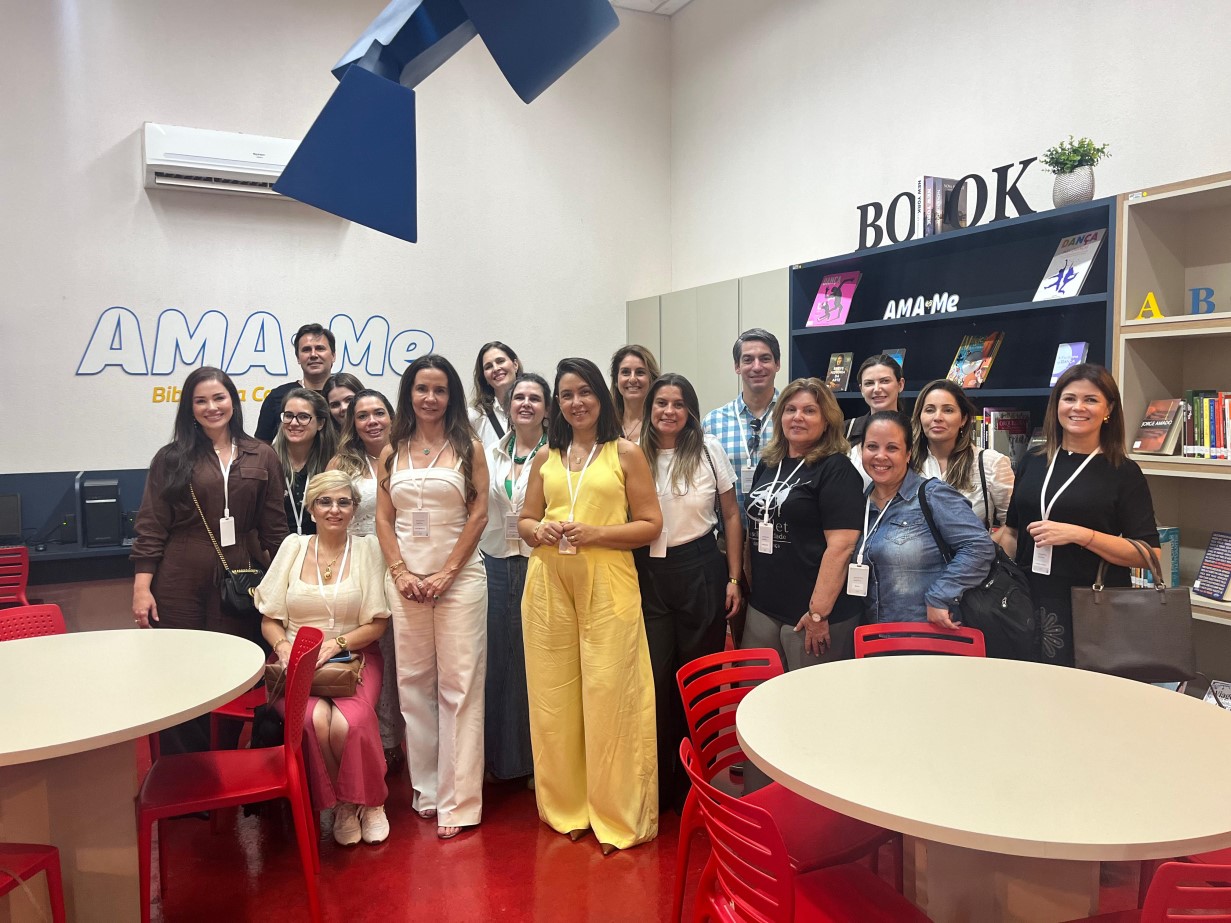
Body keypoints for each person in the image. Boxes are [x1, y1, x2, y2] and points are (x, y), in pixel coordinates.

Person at [518, 357, 662, 854]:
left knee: (611, 695)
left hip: (609, 580)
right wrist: (539, 530)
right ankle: (567, 807)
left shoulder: (625, 453)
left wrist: (596, 533)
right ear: (556, 404)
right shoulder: (547, 455)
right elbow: (525, 520)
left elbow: (651, 525)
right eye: (566, 395)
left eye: (585, 392)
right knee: (553, 697)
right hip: (548, 582)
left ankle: (617, 814)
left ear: (601, 396)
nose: (576, 402)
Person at [131, 366, 287, 754]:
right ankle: (183, 765)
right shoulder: (171, 458)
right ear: (189, 408)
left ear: (233, 401)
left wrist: (288, 586)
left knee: (235, 667)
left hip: (241, 574)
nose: (211, 407)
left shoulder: (262, 454)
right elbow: (151, 524)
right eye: (200, 401)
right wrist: (141, 588)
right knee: (179, 670)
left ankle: (223, 760)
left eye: (219, 398)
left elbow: (275, 529)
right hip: (179, 576)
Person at [376, 354, 489, 840]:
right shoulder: (391, 450)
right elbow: (383, 519)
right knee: (414, 686)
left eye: (439, 389)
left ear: (451, 396)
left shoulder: (468, 447)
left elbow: (479, 515)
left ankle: (459, 801)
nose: (430, 398)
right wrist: (400, 571)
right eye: (422, 388)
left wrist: (446, 573)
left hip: (459, 581)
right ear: (409, 394)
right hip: (406, 584)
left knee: (460, 687)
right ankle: (425, 789)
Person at [255, 471, 391, 846]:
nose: (335, 510)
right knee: (313, 721)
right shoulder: (293, 547)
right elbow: (269, 619)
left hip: (355, 656)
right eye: (325, 502)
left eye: (344, 502)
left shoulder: (368, 549)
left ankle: (372, 802)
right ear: (311, 508)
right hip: (296, 658)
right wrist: (284, 647)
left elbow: (377, 623)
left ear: (354, 508)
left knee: (350, 723)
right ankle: (346, 805)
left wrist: (336, 644)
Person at [1000, 364, 1160, 666]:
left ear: (1108, 409)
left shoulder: (1123, 472)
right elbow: (1011, 532)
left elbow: (1149, 554)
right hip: (1027, 599)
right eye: (1069, 398)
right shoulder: (1032, 461)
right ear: (1056, 405)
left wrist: (1082, 535)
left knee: (1082, 690)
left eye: (1091, 400)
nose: (1078, 407)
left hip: (1092, 604)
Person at [635, 373, 741, 811]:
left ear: (690, 410)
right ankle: (662, 784)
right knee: (656, 680)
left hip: (700, 568)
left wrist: (734, 578)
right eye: (661, 403)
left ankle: (701, 781)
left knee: (698, 679)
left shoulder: (708, 450)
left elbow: (731, 515)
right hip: (647, 573)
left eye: (678, 404)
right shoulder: (631, 452)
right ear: (650, 408)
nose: (669, 411)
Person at [743, 378, 863, 665]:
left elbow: (842, 547)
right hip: (763, 605)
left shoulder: (837, 469)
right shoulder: (769, 463)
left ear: (827, 420)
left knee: (809, 692)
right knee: (755, 686)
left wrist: (818, 613)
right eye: (790, 409)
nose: (797, 417)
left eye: (809, 411)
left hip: (812, 613)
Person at [857, 411, 996, 626]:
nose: (880, 456)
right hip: (875, 634)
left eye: (892, 448)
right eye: (872, 446)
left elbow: (979, 546)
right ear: (861, 450)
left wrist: (940, 595)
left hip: (928, 632)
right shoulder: (861, 502)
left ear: (908, 454)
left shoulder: (932, 495)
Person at [479, 372, 550, 785]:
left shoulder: (556, 453)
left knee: (533, 662)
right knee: (496, 661)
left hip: (539, 562)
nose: (525, 403)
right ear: (507, 407)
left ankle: (531, 763)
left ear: (546, 408)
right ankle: (497, 760)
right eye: (519, 397)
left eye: (535, 398)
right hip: (494, 562)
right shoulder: (491, 453)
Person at [327, 389, 404, 771]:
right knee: (370, 653)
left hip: (403, 562)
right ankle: (370, 738)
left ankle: (394, 737)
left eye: (378, 413)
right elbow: (328, 514)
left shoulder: (407, 453)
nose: (372, 421)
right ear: (352, 424)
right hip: (358, 565)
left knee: (399, 654)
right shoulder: (342, 463)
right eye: (362, 416)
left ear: (391, 416)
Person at [702, 328, 782, 646]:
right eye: (747, 359)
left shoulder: (794, 415)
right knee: (737, 627)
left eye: (765, 358)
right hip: (729, 541)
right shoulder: (712, 423)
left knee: (781, 629)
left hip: (783, 541)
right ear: (737, 367)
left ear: (777, 364)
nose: (756, 366)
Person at [910, 378, 1014, 530]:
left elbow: (1013, 529)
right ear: (919, 416)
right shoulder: (906, 463)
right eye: (930, 410)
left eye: (948, 410)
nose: (937, 417)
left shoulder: (991, 463)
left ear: (963, 419)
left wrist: (982, 544)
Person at [254, 323, 337, 442]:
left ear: (333, 356)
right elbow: (261, 445)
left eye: (320, 348)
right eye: (306, 350)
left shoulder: (346, 396)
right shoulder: (278, 396)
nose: (313, 355)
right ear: (298, 358)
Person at [273, 388, 337, 535]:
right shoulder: (268, 461)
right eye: (288, 416)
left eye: (303, 417)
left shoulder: (333, 463)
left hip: (322, 546)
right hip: (276, 547)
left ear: (320, 423)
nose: (294, 423)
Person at [846, 353, 906, 484]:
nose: (877, 389)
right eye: (869, 383)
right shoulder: (846, 430)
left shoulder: (916, 431)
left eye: (885, 381)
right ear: (861, 389)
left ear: (900, 385)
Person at [469, 341, 522, 448]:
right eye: (488, 366)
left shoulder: (538, 409)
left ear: (515, 365)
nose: (496, 368)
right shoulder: (475, 416)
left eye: (500, 361)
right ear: (485, 377)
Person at [610, 344, 660, 444]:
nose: (632, 379)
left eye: (640, 372)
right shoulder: (606, 425)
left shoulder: (660, 424)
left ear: (652, 379)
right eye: (625, 372)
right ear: (616, 380)